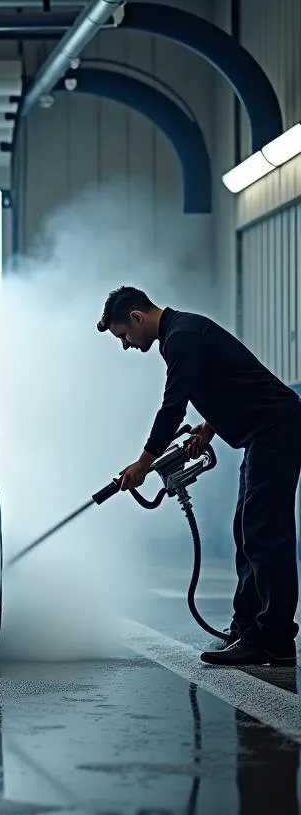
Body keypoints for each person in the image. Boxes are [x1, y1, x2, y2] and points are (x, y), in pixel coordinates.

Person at [97, 285, 301, 668]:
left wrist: (143, 464)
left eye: (123, 335)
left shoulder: (182, 338)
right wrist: (207, 428)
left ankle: (274, 640)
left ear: (137, 318)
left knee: (265, 534)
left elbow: (173, 406)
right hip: (265, 434)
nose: (126, 345)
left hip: (276, 431)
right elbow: (228, 382)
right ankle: (249, 630)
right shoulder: (182, 334)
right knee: (247, 530)